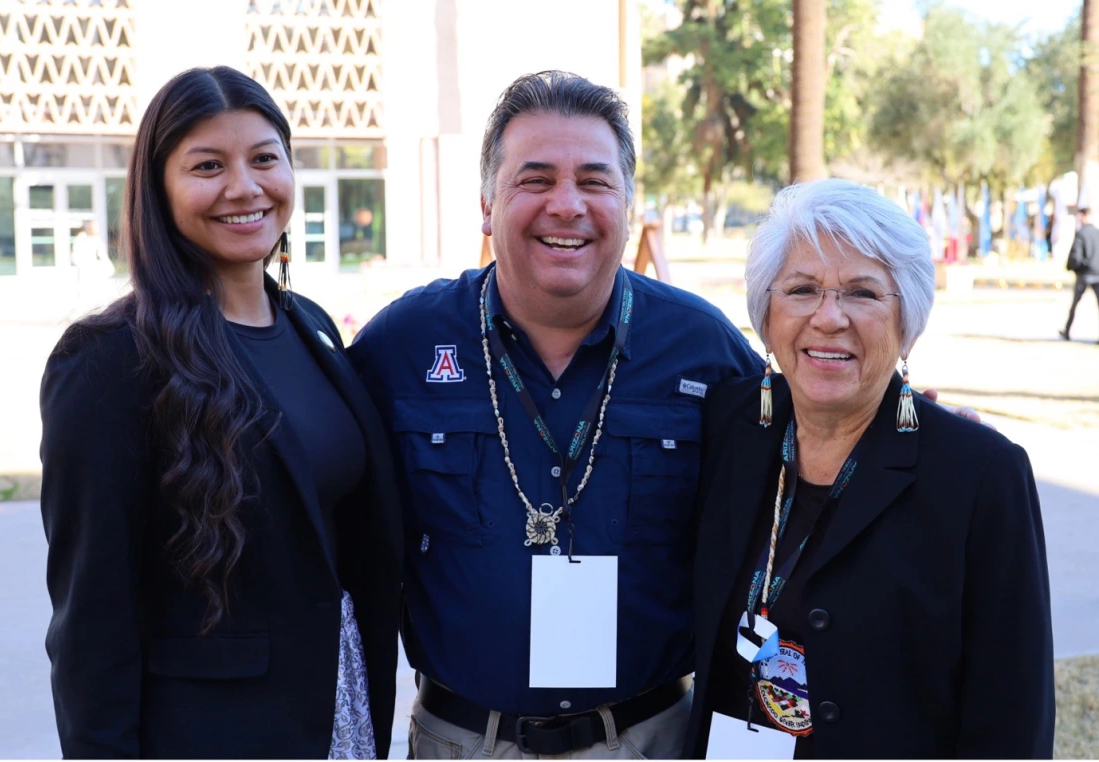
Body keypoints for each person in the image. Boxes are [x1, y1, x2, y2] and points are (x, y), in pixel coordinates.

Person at [348, 71, 763, 758]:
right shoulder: (401, 348)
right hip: (463, 742)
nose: (566, 205)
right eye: (535, 180)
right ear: (487, 203)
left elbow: (790, 497)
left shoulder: (706, 352)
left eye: (595, 182)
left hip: (650, 740)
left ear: (629, 204)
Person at [39, 66, 402, 759]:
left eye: (265, 158)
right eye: (208, 165)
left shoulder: (314, 328)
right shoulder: (109, 361)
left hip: (338, 709)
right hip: (211, 734)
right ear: (158, 188)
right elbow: (91, 621)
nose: (245, 187)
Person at [683, 180, 1055, 759]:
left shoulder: (980, 476)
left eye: (862, 293)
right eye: (802, 289)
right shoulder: (729, 429)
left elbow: (1012, 719)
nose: (829, 318)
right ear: (765, 312)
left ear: (906, 323)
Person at [1059, 204, 1099, 343]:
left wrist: (1073, 268)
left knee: (1074, 305)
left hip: (1084, 274)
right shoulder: (1097, 233)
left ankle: (1067, 330)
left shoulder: (1081, 234)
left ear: (1082, 216)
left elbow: (1076, 256)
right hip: (1097, 273)